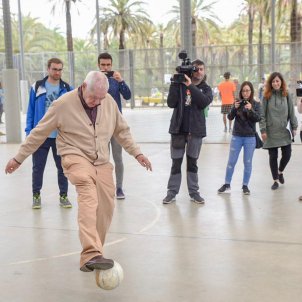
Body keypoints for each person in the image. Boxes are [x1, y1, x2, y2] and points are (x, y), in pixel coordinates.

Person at [5, 71, 152, 272]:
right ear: (83, 86)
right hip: (75, 156)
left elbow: (122, 131)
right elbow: (39, 132)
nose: (97, 103)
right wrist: (18, 157)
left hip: (101, 161)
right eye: (93, 98)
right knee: (88, 195)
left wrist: (137, 153)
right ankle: (91, 252)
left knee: (106, 208)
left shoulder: (107, 101)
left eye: (101, 98)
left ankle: (93, 255)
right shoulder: (62, 104)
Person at [162, 59, 213, 205]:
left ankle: (194, 192)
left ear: (204, 71)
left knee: (192, 163)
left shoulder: (206, 89)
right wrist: (174, 83)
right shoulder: (179, 86)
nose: (199, 71)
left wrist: (190, 84)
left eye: (201, 69)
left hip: (195, 131)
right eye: (196, 69)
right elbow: (171, 103)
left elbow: (203, 102)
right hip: (178, 130)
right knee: (176, 163)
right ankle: (171, 192)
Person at [25, 58, 73, 209]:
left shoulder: (67, 88)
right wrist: (29, 133)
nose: (57, 72)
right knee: (38, 168)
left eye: (60, 69)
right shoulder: (37, 87)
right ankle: (36, 195)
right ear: (48, 69)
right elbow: (30, 111)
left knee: (63, 168)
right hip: (41, 136)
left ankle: (64, 196)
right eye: (54, 69)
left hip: (60, 137)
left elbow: (73, 112)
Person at [97, 52, 131, 200]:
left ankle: (119, 188)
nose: (106, 67)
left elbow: (128, 96)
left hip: (116, 126)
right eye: (103, 65)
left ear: (111, 65)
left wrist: (121, 81)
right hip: (99, 126)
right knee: (101, 158)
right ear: (98, 65)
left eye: (108, 65)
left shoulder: (116, 80)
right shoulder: (94, 79)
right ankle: (104, 186)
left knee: (118, 158)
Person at [217, 81, 261, 195]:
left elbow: (258, 118)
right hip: (237, 136)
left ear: (251, 92)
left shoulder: (255, 104)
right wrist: (234, 108)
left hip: (250, 138)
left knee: (247, 162)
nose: (245, 93)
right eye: (243, 91)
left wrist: (251, 109)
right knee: (231, 161)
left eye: (247, 91)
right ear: (241, 92)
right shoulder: (237, 102)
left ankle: (245, 185)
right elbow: (230, 117)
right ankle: (227, 184)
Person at [259, 72, 298, 190]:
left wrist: (294, 126)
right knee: (273, 156)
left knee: (287, 154)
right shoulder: (266, 96)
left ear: (281, 82)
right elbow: (262, 115)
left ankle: (280, 171)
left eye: (278, 81)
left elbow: (291, 111)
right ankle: (275, 180)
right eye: (273, 81)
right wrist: (263, 130)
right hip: (270, 131)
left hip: (283, 130)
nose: (276, 83)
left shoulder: (286, 95)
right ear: (270, 83)